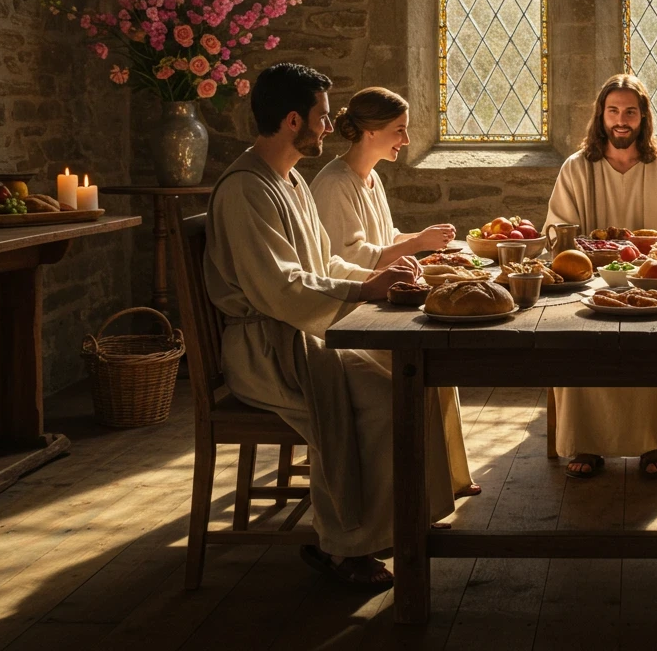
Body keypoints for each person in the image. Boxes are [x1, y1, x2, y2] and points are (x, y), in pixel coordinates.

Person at [204, 63, 456, 592]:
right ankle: (345, 546)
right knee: (385, 400)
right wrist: (365, 291)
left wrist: (377, 279)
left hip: (299, 330)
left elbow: (323, 265)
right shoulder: (247, 189)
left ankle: (401, 518)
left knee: (410, 378)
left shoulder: (290, 180)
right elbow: (280, 289)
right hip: (265, 348)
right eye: (321, 116)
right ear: (293, 120)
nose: (328, 126)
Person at [310, 85, 480, 499]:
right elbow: (346, 258)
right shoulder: (334, 183)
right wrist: (416, 242)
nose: (405, 140)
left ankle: (446, 480)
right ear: (370, 131)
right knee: (418, 366)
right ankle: (420, 497)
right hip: (348, 310)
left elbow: (384, 239)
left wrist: (426, 240)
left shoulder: (370, 178)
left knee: (434, 360)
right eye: (399, 130)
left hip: (376, 299)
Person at [543, 73, 657, 479]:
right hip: (591, 284)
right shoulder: (577, 168)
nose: (621, 120)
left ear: (643, 117)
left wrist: (656, 260)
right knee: (577, 338)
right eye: (613, 111)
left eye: (630, 112)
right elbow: (558, 236)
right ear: (601, 116)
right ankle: (586, 441)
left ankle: (655, 441)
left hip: (656, 284)